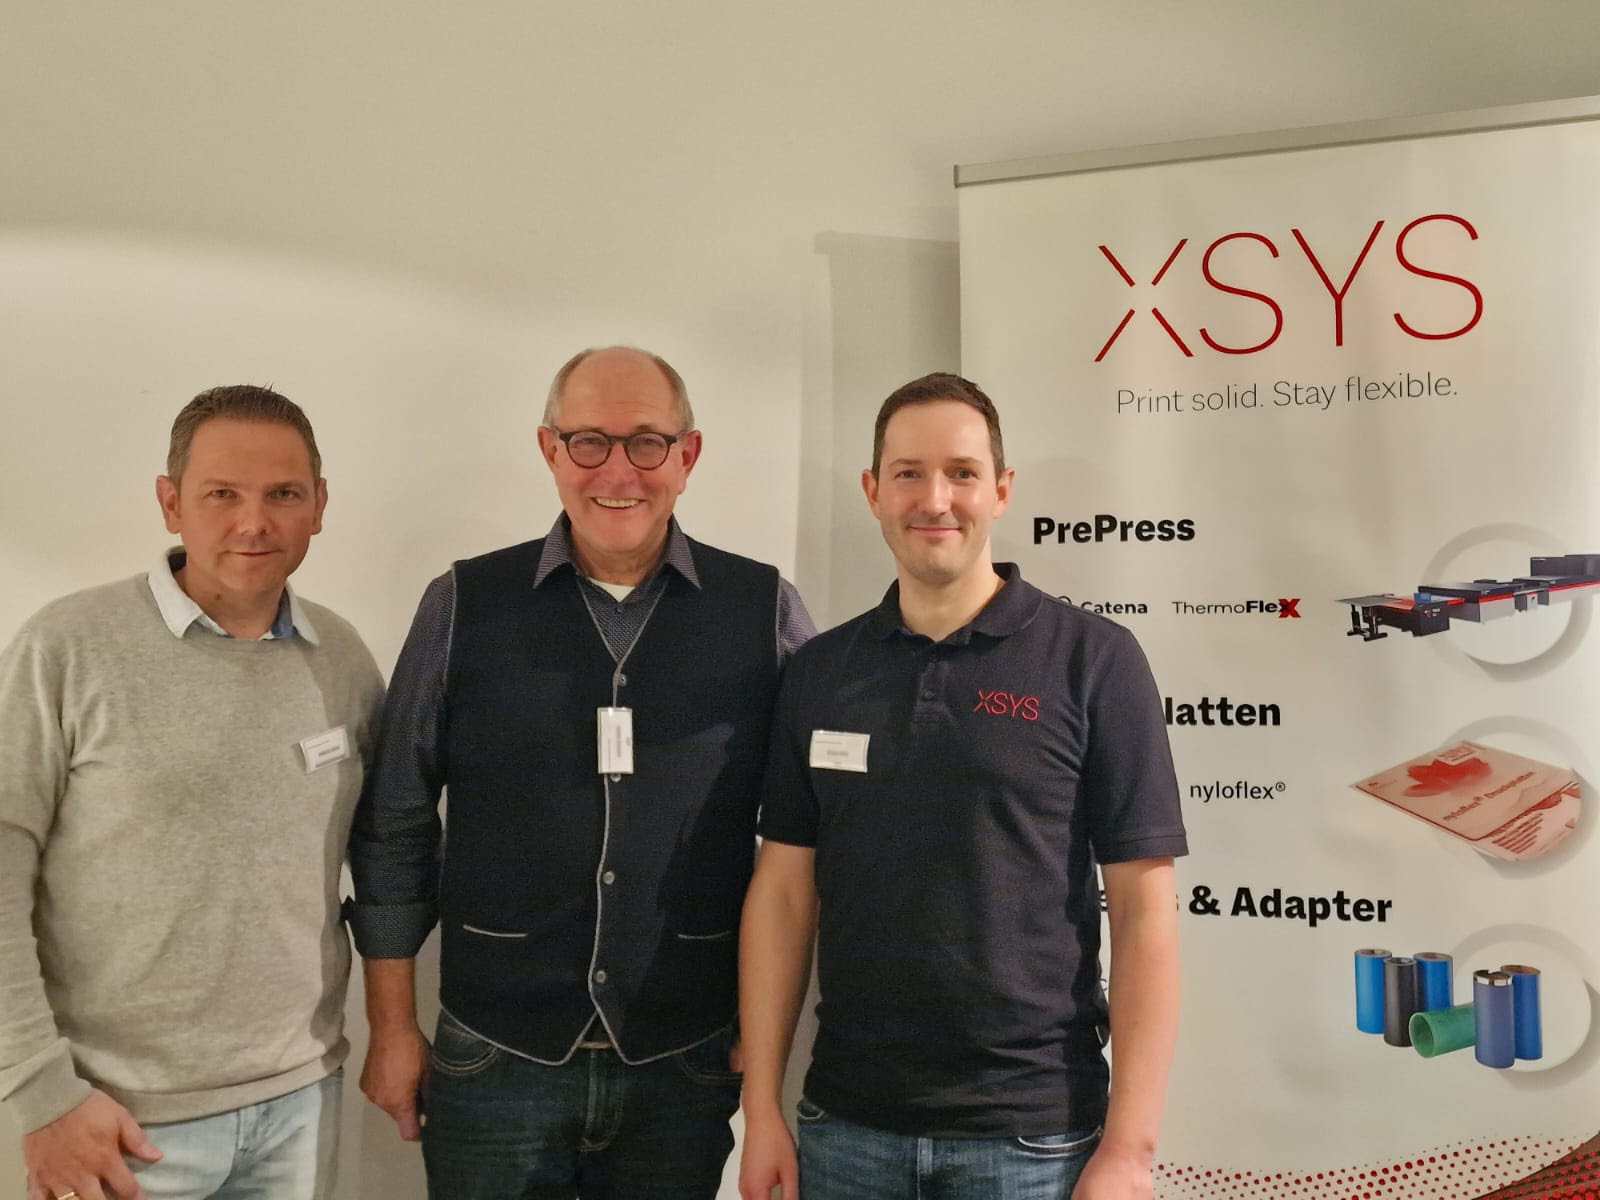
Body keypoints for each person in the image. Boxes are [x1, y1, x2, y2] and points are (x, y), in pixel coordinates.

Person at [349, 345, 815, 1199]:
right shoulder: (461, 604)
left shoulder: (765, 611)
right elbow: (396, 822)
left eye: (648, 442)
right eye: (589, 441)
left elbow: (807, 836)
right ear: (549, 449)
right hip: (493, 1053)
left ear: (688, 455)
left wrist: (768, 1036)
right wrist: (391, 1026)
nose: (619, 471)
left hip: (685, 1059)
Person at [738, 372, 1187, 1200]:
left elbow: (1143, 912)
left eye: (962, 473)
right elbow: (784, 894)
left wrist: (1130, 1150)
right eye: (908, 473)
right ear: (873, 492)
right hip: (846, 1130)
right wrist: (760, 1105)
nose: (934, 499)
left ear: (1002, 490)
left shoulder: (1093, 660)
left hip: (1032, 1140)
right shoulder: (820, 672)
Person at [0, 386, 386, 1200]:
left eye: (284, 494)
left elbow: (386, 854)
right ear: (170, 502)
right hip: (119, 1120)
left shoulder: (342, 658)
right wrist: (40, 1092)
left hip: (301, 1101)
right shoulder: (67, 647)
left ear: (319, 506)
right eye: (222, 494)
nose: (255, 522)